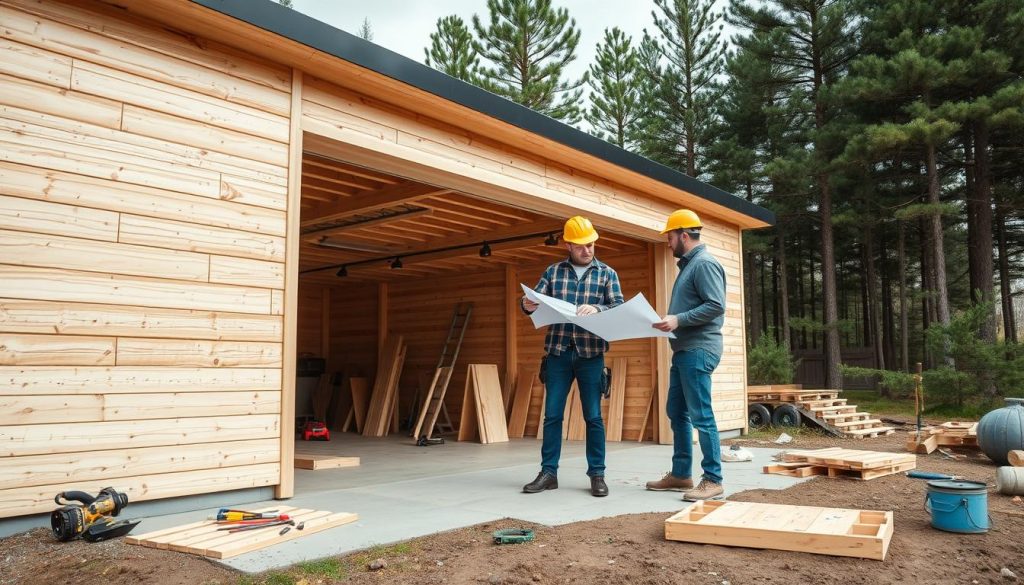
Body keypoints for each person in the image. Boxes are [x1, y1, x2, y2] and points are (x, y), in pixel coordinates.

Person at [520, 216, 624, 497]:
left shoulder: (607, 274)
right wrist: (527, 304)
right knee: (552, 416)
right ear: (568, 245)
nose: (588, 250)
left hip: (591, 356)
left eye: (591, 244)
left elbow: (618, 306)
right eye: (581, 246)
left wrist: (599, 309)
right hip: (558, 353)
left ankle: (597, 475)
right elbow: (531, 301)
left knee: (593, 417)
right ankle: (548, 473)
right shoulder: (553, 273)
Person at [647, 209, 727, 501]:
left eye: (669, 237)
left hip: (698, 349)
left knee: (701, 416)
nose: (667, 243)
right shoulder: (689, 266)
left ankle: (713, 479)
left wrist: (678, 319)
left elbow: (716, 305)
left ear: (683, 235)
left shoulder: (704, 264)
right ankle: (681, 474)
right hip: (684, 351)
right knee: (676, 412)